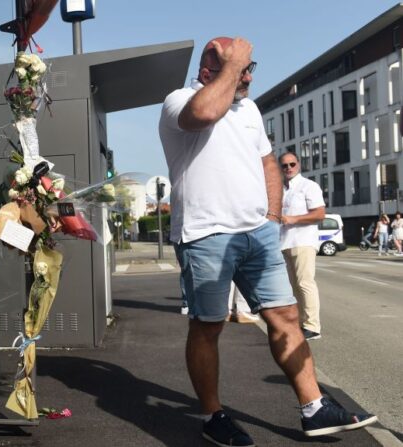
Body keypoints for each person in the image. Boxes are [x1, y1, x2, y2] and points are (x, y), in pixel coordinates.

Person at [158, 36, 377, 446]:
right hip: (206, 234)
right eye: (243, 69)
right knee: (207, 326)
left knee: (287, 317)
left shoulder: (249, 109)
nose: (248, 77)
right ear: (210, 70)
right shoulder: (179, 100)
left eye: (249, 69)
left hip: (257, 233)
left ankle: (314, 408)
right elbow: (204, 113)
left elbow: (266, 162)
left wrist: (272, 216)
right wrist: (231, 65)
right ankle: (212, 415)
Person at [279, 152, 326, 341]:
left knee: (305, 283)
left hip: (303, 241)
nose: (288, 168)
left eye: (292, 164)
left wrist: (293, 219)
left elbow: (320, 214)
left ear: (298, 164)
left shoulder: (309, 186)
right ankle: (301, 324)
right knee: (294, 286)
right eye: (284, 165)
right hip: (285, 242)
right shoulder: (281, 189)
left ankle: (313, 327)